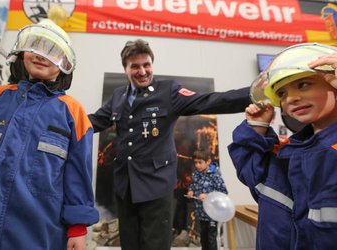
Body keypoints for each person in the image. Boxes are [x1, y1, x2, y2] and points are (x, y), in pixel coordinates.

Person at [0, 19, 99, 250]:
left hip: (36, 236)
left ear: (64, 64)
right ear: (22, 53)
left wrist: (78, 228)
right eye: (36, 45)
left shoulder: (72, 112)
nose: (42, 54)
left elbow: (78, 176)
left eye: (52, 50)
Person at [88, 39, 251, 250]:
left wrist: (253, 94)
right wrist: (64, 119)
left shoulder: (168, 91)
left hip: (156, 185)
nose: (142, 71)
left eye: (146, 64)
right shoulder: (119, 95)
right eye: (135, 66)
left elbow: (210, 100)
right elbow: (96, 120)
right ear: (125, 69)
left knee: (154, 245)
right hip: (125, 186)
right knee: (130, 244)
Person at [228, 42, 337, 249]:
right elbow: (252, 173)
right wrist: (257, 128)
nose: (291, 98)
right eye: (281, 94)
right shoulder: (289, 155)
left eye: (303, 84)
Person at [186, 150, 227, 250]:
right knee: (203, 237)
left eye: (200, 162)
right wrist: (191, 192)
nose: (197, 165)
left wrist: (208, 195)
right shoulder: (196, 175)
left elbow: (223, 192)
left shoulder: (215, 175)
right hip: (201, 213)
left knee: (211, 238)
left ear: (208, 162)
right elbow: (193, 186)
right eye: (195, 162)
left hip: (213, 213)